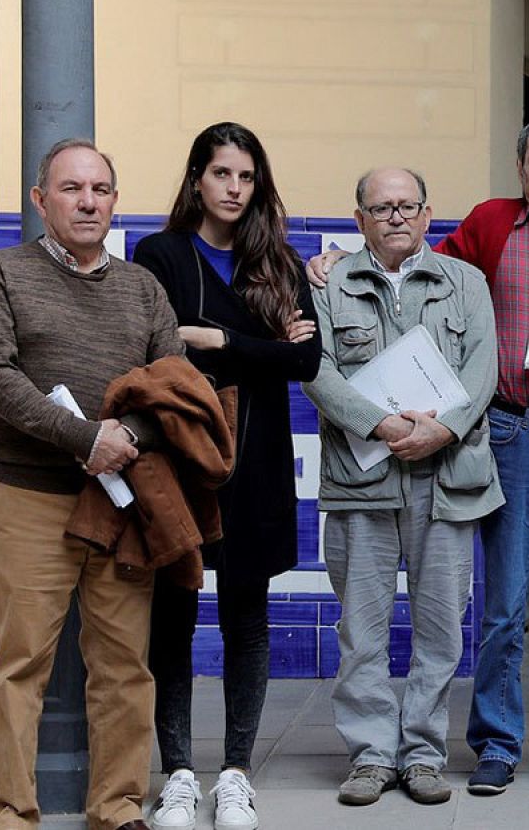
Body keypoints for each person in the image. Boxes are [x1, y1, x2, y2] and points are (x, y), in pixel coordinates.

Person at [308, 117, 529, 795]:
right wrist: (330, 260)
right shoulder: (491, 226)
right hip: (509, 433)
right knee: (502, 605)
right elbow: (414, 261)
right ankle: (495, 742)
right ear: (519, 169)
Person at [0, 138, 184, 830]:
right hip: (30, 498)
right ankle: (6, 812)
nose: (88, 202)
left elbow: (173, 387)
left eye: (101, 190)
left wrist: (127, 442)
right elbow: (0, 380)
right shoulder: (0, 274)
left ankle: (117, 808)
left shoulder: (143, 287)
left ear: (115, 201)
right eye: (70, 189)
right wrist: (87, 438)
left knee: (124, 666)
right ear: (39, 199)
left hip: (121, 504)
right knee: (20, 665)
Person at [132, 121, 321, 830]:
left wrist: (220, 340)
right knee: (173, 616)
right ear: (196, 180)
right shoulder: (161, 254)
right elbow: (158, 348)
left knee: (248, 617)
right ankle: (178, 773)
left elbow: (306, 363)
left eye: (246, 177)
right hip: (181, 459)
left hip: (260, 456)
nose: (235, 188)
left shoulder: (278, 262)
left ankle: (235, 772)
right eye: (221, 174)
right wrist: (261, 344)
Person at [302, 167, 503, 808]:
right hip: (362, 483)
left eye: (407, 206)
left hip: (446, 480)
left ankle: (421, 754)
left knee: (440, 628)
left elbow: (483, 368)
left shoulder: (465, 282)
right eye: (381, 207)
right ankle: (368, 755)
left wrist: (440, 429)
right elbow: (315, 369)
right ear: (359, 217)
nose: (395, 216)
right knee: (361, 630)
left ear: (426, 213)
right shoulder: (329, 284)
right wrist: (380, 422)